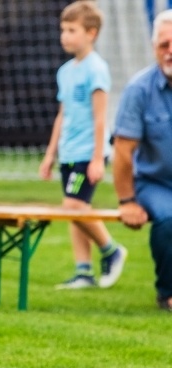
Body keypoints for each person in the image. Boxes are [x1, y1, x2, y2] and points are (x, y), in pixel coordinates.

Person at [38, 0, 127, 290]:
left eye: (72, 29)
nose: (65, 35)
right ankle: (83, 271)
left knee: (73, 206)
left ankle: (111, 250)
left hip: (88, 153)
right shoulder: (65, 71)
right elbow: (62, 116)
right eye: (63, 29)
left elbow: (102, 118)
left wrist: (98, 158)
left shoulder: (96, 69)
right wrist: (50, 154)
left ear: (91, 33)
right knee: (77, 210)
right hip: (68, 152)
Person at [112, 9, 172, 311]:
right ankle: (167, 291)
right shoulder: (139, 90)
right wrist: (127, 200)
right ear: (154, 48)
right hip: (155, 181)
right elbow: (123, 151)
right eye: (164, 45)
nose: (170, 51)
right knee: (169, 218)